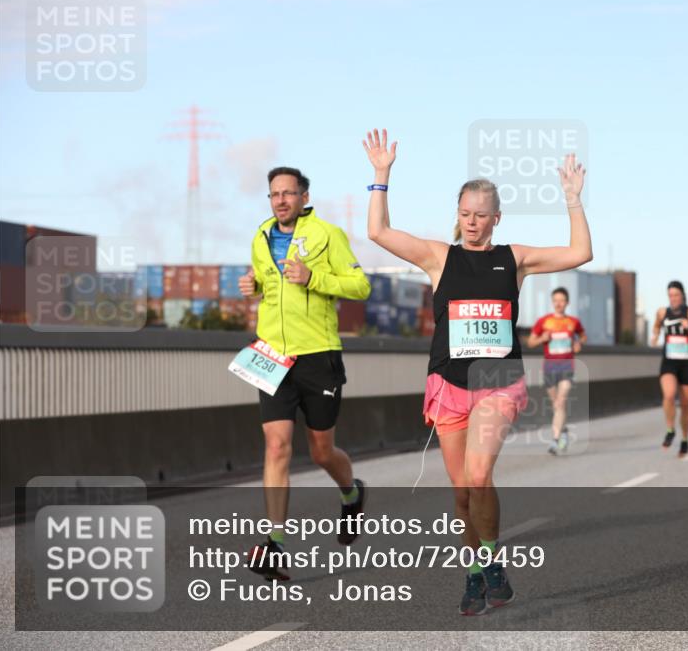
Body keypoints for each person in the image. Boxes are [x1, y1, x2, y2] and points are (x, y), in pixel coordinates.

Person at [363, 129, 592, 616]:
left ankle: (487, 564)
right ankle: (479, 574)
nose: (471, 223)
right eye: (464, 214)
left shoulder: (515, 259)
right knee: (463, 492)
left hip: (496, 380)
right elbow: (379, 234)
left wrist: (572, 200)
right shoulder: (438, 257)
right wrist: (381, 177)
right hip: (447, 383)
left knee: (479, 471)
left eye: (480, 216)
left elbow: (579, 254)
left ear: (496, 218)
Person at [238, 166, 371, 581]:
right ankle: (275, 542)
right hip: (272, 356)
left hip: (318, 356)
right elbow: (266, 282)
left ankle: (351, 493)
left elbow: (360, 286)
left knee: (320, 452)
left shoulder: (327, 235)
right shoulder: (261, 236)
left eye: (288, 193)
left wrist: (314, 277)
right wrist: (252, 285)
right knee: (276, 447)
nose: (280, 200)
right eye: (274, 194)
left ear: (304, 196)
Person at [527, 287, 586, 455]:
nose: (559, 303)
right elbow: (530, 342)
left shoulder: (573, 322)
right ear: (552, 302)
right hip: (549, 368)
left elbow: (582, 336)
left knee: (561, 401)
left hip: (567, 366)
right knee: (557, 405)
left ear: (567, 302)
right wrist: (542, 338)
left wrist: (578, 343)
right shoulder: (544, 321)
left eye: (562, 300)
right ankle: (564, 430)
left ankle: (554, 440)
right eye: (556, 300)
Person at [650, 281, 688, 457]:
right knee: (668, 394)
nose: (673, 298)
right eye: (670, 295)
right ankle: (670, 429)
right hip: (669, 362)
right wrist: (655, 335)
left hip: (687, 364)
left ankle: (685, 440)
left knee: (686, 406)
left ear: (683, 295)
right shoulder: (661, 312)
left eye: (676, 295)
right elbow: (657, 324)